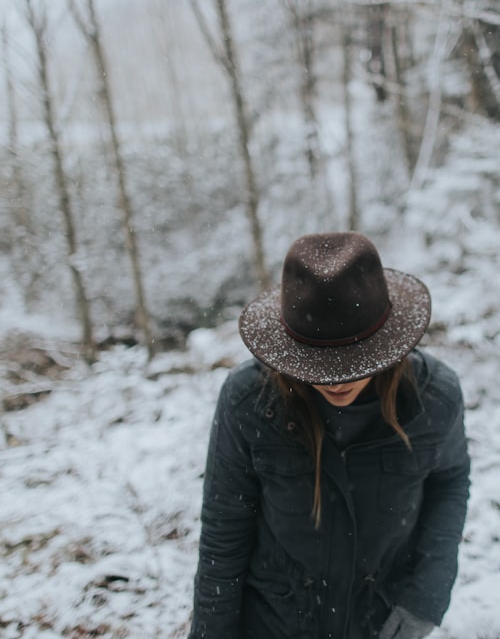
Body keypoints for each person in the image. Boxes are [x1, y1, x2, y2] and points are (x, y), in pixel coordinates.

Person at [191, 232, 470, 639]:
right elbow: (224, 529)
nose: (337, 380)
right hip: (273, 622)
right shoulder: (247, 399)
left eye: (355, 361)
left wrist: (427, 595)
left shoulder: (435, 397)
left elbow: (449, 482)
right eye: (318, 362)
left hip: (378, 622)